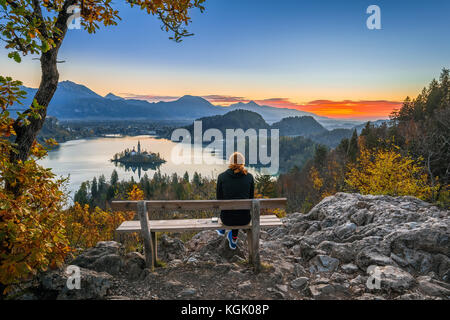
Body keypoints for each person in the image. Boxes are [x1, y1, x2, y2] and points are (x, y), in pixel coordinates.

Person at [216, 152, 254, 250]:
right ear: (243, 163)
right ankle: (233, 238)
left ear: (230, 162)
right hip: (245, 219)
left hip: (226, 220)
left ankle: (223, 230)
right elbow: (251, 198)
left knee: (229, 209)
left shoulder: (221, 177)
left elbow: (219, 199)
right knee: (239, 210)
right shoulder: (249, 177)